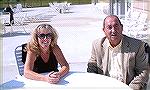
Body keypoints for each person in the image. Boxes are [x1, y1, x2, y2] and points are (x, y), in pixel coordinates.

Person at [87, 15, 149, 89]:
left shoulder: (137, 45)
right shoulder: (97, 45)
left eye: (116, 26)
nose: (113, 30)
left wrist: (129, 89)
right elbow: (92, 68)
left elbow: (143, 71)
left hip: (128, 87)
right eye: (109, 27)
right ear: (104, 30)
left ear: (121, 28)